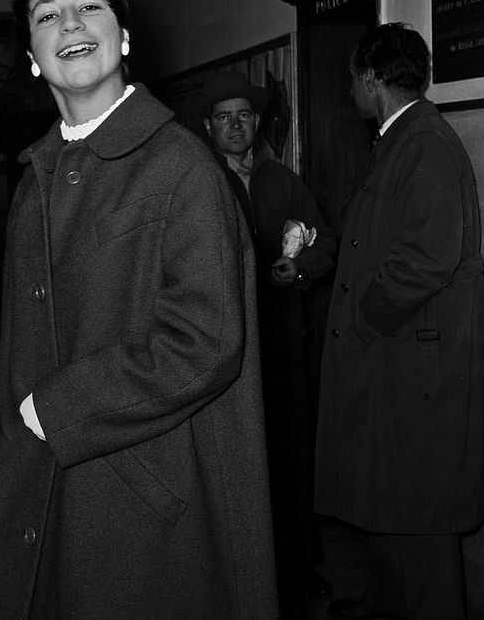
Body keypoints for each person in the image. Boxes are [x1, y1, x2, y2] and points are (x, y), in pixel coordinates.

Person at [0, 0, 277, 619]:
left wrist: (54, 410)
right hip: (36, 479)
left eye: (89, 5)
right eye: (46, 14)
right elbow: (18, 361)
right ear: (34, 58)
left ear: (123, 36)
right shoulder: (36, 177)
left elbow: (206, 342)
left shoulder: (181, 168)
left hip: (142, 508)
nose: (69, 22)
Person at [314, 23, 484, 620]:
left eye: (352, 81)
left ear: (371, 79)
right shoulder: (401, 140)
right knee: (392, 533)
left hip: (416, 385)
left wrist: (364, 322)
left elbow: (425, 257)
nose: (349, 94)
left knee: (419, 545)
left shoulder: (425, 144)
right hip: (399, 379)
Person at [195, 71, 337, 611]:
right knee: (231, 464)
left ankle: (297, 570)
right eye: (225, 117)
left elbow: (322, 242)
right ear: (209, 126)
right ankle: (232, 574)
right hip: (221, 352)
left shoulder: (283, 180)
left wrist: (297, 272)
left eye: (245, 115)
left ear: (258, 123)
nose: (236, 125)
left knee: (289, 458)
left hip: (280, 343)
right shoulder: (198, 181)